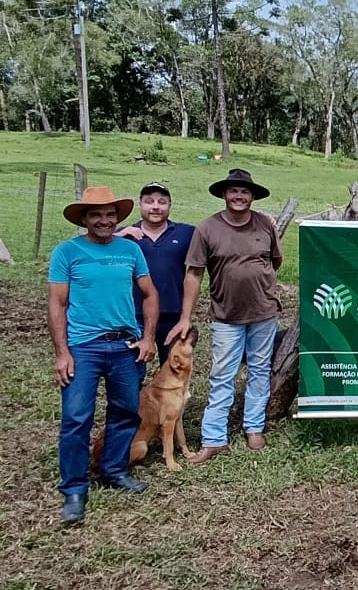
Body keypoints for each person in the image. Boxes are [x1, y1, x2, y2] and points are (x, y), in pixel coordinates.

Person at [48, 186, 159, 525]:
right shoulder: (67, 252)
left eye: (110, 215)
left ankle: (114, 469)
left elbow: (150, 294)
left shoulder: (130, 250)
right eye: (96, 214)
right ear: (84, 218)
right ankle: (74, 488)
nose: (104, 220)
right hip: (84, 347)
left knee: (125, 412)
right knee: (76, 417)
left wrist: (148, 338)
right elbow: (57, 304)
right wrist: (62, 353)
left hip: (125, 345)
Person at [167, 169, 282, 464]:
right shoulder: (207, 229)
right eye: (233, 191)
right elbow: (194, 273)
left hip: (264, 312)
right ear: (224, 194)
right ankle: (214, 438)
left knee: (259, 369)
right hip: (226, 315)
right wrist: (185, 317)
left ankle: (254, 427)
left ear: (252, 196)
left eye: (245, 191)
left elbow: (275, 261)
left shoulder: (265, 225)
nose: (239, 196)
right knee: (222, 376)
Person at [115, 182, 195, 366]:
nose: (156, 207)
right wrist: (119, 235)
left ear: (170, 205)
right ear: (140, 204)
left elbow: (214, 240)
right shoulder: (125, 235)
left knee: (173, 369)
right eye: (149, 201)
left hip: (173, 314)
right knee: (132, 370)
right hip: (134, 315)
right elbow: (92, 245)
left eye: (162, 202)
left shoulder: (186, 233)